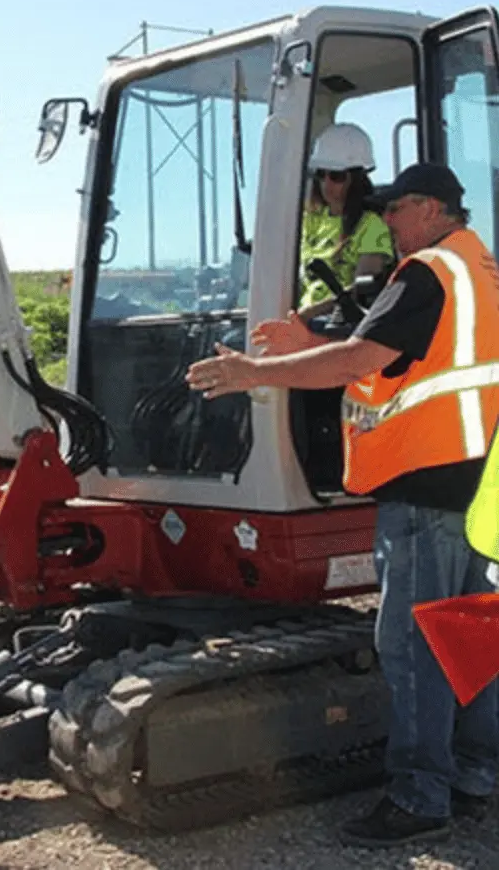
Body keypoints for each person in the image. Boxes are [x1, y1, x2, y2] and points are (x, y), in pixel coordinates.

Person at [185, 162, 499, 847]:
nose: (386, 220)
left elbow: (357, 365)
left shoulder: (426, 274)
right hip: (481, 492)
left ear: (433, 208)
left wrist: (251, 374)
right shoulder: (483, 270)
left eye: (396, 208)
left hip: (425, 487)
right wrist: (314, 343)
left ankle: (419, 798)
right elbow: (409, 359)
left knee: (414, 646)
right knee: (473, 637)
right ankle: (475, 777)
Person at [297, 123, 395, 320]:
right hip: (304, 320)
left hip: (339, 323)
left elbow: (363, 289)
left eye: (336, 176)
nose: (326, 184)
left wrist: (309, 314)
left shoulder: (371, 225)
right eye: (320, 174)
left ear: (357, 178)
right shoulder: (310, 221)